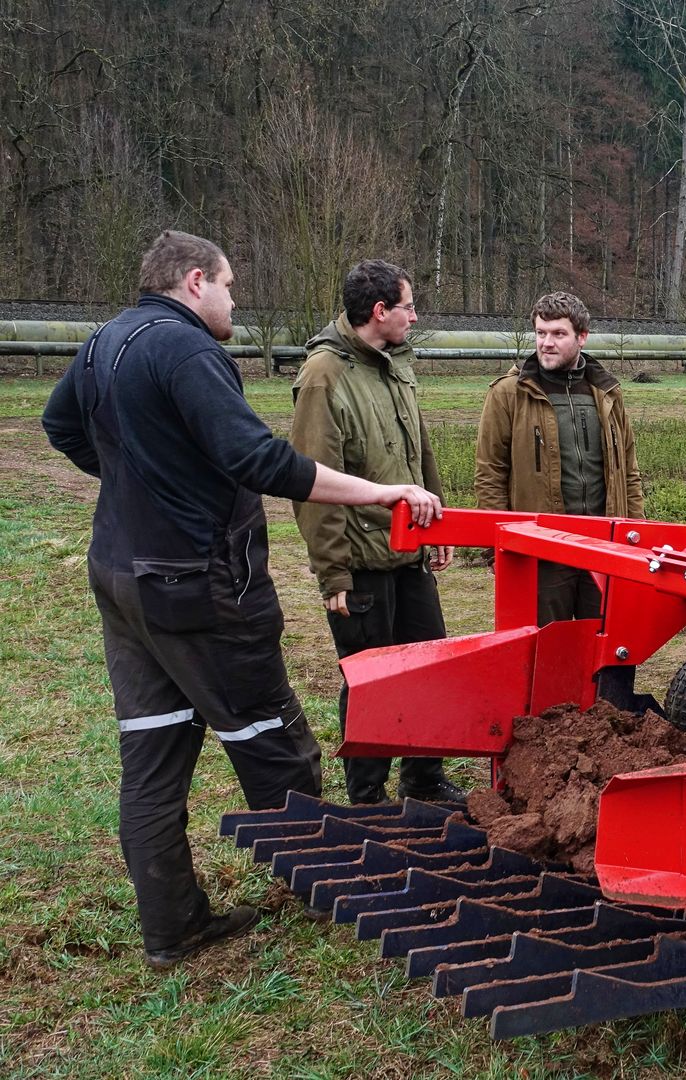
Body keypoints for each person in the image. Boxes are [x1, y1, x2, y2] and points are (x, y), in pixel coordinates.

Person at [40, 230, 442, 970]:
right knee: (275, 742)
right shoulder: (188, 349)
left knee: (153, 758)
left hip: (122, 581)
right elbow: (259, 459)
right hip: (200, 586)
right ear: (196, 281)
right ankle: (330, 888)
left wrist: (141, 486)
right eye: (229, 286)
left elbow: (59, 424)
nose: (233, 300)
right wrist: (383, 491)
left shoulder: (104, 342)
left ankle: (172, 925)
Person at [289, 259, 465, 806]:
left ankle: (424, 779)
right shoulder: (324, 376)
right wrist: (334, 572)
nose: (415, 316)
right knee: (372, 682)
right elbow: (311, 480)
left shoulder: (395, 364)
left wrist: (438, 523)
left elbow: (420, 448)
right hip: (361, 561)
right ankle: (367, 797)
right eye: (408, 306)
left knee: (429, 666)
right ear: (380, 311)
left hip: (407, 552)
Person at [474, 291, 644, 624]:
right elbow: (490, 473)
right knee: (546, 651)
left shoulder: (608, 392)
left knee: (607, 645)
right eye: (540, 333)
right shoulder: (509, 394)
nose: (546, 343)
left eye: (558, 334)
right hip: (543, 552)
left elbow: (629, 472)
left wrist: (636, 535)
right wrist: (496, 546)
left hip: (605, 548)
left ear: (582, 337)